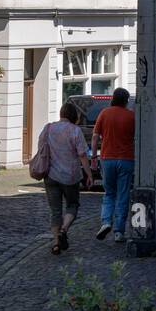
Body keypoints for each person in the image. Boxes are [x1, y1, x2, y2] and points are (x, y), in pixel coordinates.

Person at [38, 102, 92, 255]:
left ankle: (56, 243)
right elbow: (82, 154)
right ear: (74, 116)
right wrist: (88, 174)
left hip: (50, 175)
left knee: (55, 211)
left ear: (61, 114)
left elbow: (41, 147)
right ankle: (64, 229)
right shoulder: (75, 130)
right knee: (72, 205)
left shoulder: (48, 128)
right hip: (70, 176)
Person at [91, 87, 135, 242]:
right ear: (126, 101)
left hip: (107, 158)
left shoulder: (104, 113)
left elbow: (95, 137)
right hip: (126, 159)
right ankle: (119, 232)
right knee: (123, 195)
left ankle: (106, 222)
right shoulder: (131, 116)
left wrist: (94, 156)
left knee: (109, 193)